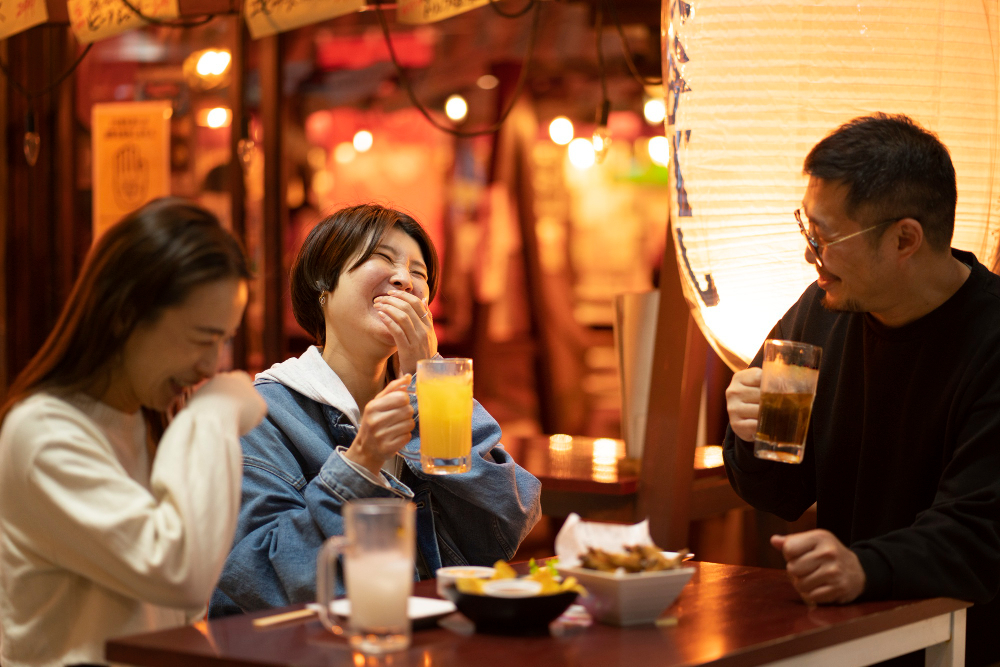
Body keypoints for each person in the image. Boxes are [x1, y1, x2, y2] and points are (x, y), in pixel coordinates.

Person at [723, 113, 1000, 667]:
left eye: (825, 236)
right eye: (807, 227)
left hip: (966, 645)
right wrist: (748, 430)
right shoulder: (820, 312)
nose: (810, 253)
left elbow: (980, 532)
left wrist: (863, 567)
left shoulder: (990, 339)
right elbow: (781, 491)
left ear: (904, 238)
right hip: (853, 634)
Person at [210, 204, 541, 616]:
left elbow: (501, 528)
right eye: (381, 259)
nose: (405, 280)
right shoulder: (262, 412)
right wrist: (362, 462)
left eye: (419, 273)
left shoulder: (433, 395)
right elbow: (259, 578)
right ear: (323, 283)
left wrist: (434, 382)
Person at [0, 198, 267, 667]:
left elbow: (184, 610)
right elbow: (178, 571)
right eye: (202, 339)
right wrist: (213, 414)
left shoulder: (150, 417)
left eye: (224, 341)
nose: (212, 365)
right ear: (126, 314)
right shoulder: (43, 433)